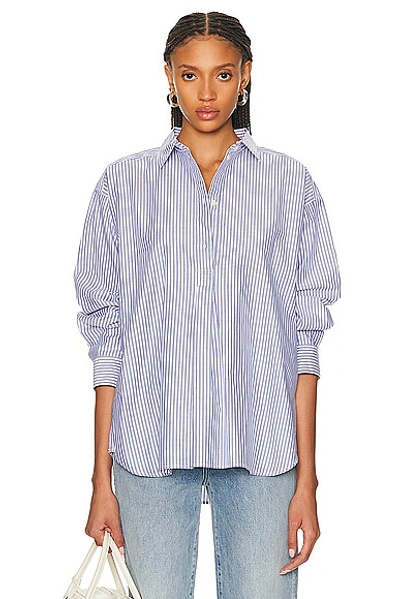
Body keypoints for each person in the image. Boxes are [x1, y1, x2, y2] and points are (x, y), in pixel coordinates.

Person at [74, 11, 340, 599]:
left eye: (222, 74)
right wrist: (100, 482)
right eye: (190, 75)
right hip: (149, 447)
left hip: (261, 448)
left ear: (245, 75)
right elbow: (106, 342)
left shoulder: (290, 186)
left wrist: (308, 483)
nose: (206, 93)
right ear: (169, 77)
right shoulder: (123, 185)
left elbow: (304, 346)